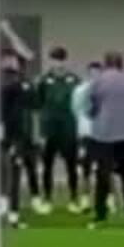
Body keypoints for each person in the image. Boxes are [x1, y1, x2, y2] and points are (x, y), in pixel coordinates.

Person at [87, 50, 124, 227]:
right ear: (121, 64)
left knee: (103, 176)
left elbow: (92, 108)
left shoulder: (97, 82)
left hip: (104, 136)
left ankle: (100, 215)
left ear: (105, 64)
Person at [33, 47, 81, 214]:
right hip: (49, 129)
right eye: (55, 59)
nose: (58, 63)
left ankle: (74, 199)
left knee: (71, 166)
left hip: (69, 128)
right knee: (47, 166)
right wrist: (40, 132)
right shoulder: (43, 81)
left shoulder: (74, 80)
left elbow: (79, 105)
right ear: (51, 61)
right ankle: (47, 199)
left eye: (61, 59)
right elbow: (37, 105)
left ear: (66, 61)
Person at [0, 50, 34, 228]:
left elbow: (32, 104)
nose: (11, 62)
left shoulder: (21, 83)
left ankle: (11, 213)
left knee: (13, 173)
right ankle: (5, 211)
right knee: (4, 174)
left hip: (14, 135)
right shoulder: (6, 84)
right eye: (7, 59)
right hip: (4, 134)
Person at [71, 59, 100, 212]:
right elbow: (76, 111)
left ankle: (108, 199)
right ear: (88, 74)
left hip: (102, 135)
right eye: (92, 73)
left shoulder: (104, 90)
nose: (95, 75)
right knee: (84, 169)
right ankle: (85, 200)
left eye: (97, 73)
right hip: (85, 134)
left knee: (104, 168)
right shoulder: (80, 90)